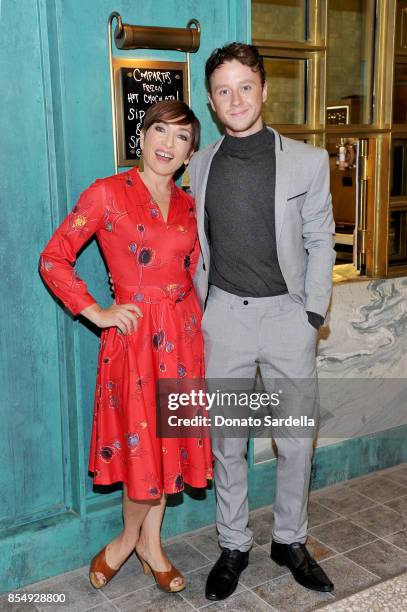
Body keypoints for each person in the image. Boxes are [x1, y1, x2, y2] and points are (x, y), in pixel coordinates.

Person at [39, 100, 213, 593]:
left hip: (182, 338)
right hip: (134, 342)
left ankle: (147, 544)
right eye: (160, 130)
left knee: (166, 448)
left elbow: (195, 270)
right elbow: (54, 259)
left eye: (181, 137)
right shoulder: (107, 193)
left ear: (189, 153)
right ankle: (128, 544)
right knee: (144, 452)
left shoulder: (188, 205)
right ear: (141, 136)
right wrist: (97, 311)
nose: (167, 143)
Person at [187, 43, 336, 600]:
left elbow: (321, 238)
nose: (236, 98)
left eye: (245, 86)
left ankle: (291, 540)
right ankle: (233, 543)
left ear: (264, 90)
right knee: (228, 439)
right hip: (223, 317)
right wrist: (204, 312)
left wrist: (312, 314)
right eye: (223, 90)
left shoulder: (307, 161)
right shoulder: (198, 165)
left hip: (287, 318)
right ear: (211, 101)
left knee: (295, 440)